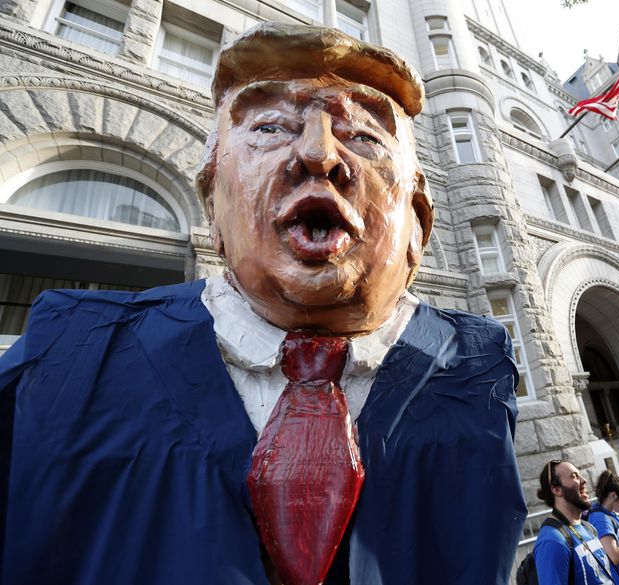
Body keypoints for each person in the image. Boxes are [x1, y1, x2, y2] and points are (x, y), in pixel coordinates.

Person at [0, 23, 527, 585]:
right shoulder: (69, 355)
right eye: (271, 127)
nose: (319, 154)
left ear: (418, 225)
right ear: (214, 208)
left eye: (366, 136)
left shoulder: (476, 364)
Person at [533, 460, 614, 585]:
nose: (583, 480)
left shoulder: (588, 528)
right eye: (574, 476)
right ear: (556, 490)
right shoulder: (552, 540)